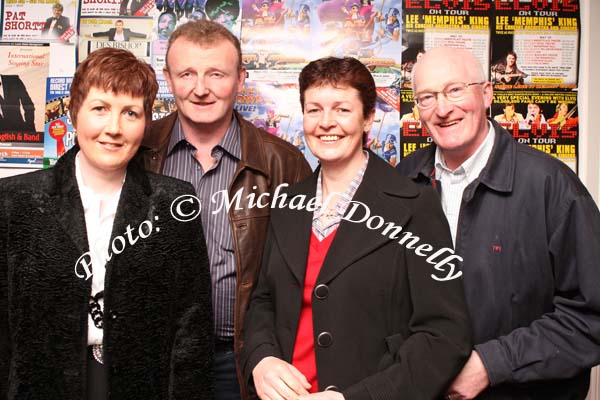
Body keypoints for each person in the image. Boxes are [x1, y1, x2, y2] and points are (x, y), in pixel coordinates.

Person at [241, 56, 471, 399]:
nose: (326, 123)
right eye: (314, 109)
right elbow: (263, 301)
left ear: (368, 118)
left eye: (342, 110)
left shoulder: (415, 205)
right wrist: (260, 360)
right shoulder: (287, 202)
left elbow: (444, 336)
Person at [0, 47, 213, 399]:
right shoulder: (14, 201)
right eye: (100, 109)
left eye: (130, 113)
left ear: (146, 122)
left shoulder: (173, 202)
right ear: (74, 112)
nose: (113, 128)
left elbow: (190, 329)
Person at [397, 47, 600, 399]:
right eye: (427, 97)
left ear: (487, 94)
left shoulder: (551, 186)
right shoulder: (402, 182)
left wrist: (492, 364)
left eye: (455, 90)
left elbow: (592, 318)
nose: (443, 109)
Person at [136, 20, 311, 400]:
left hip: (242, 359)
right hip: (153, 355)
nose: (201, 89)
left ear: (240, 79)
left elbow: (304, 275)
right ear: (168, 78)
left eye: (216, 74)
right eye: (187, 74)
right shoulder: (137, 152)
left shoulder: (283, 162)